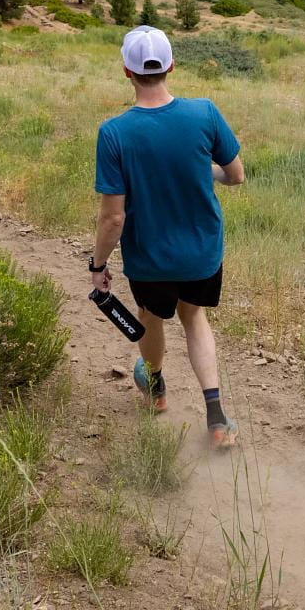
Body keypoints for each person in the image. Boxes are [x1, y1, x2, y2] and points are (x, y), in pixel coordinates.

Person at [90, 25, 246, 449]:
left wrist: (98, 265)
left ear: (127, 71)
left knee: (151, 317)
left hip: (150, 259)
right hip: (202, 253)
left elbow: (112, 218)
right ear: (172, 65)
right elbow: (235, 176)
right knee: (194, 318)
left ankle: (155, 389)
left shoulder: (115, 133)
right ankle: (216, 419)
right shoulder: (205, 113)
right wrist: (202, 171)